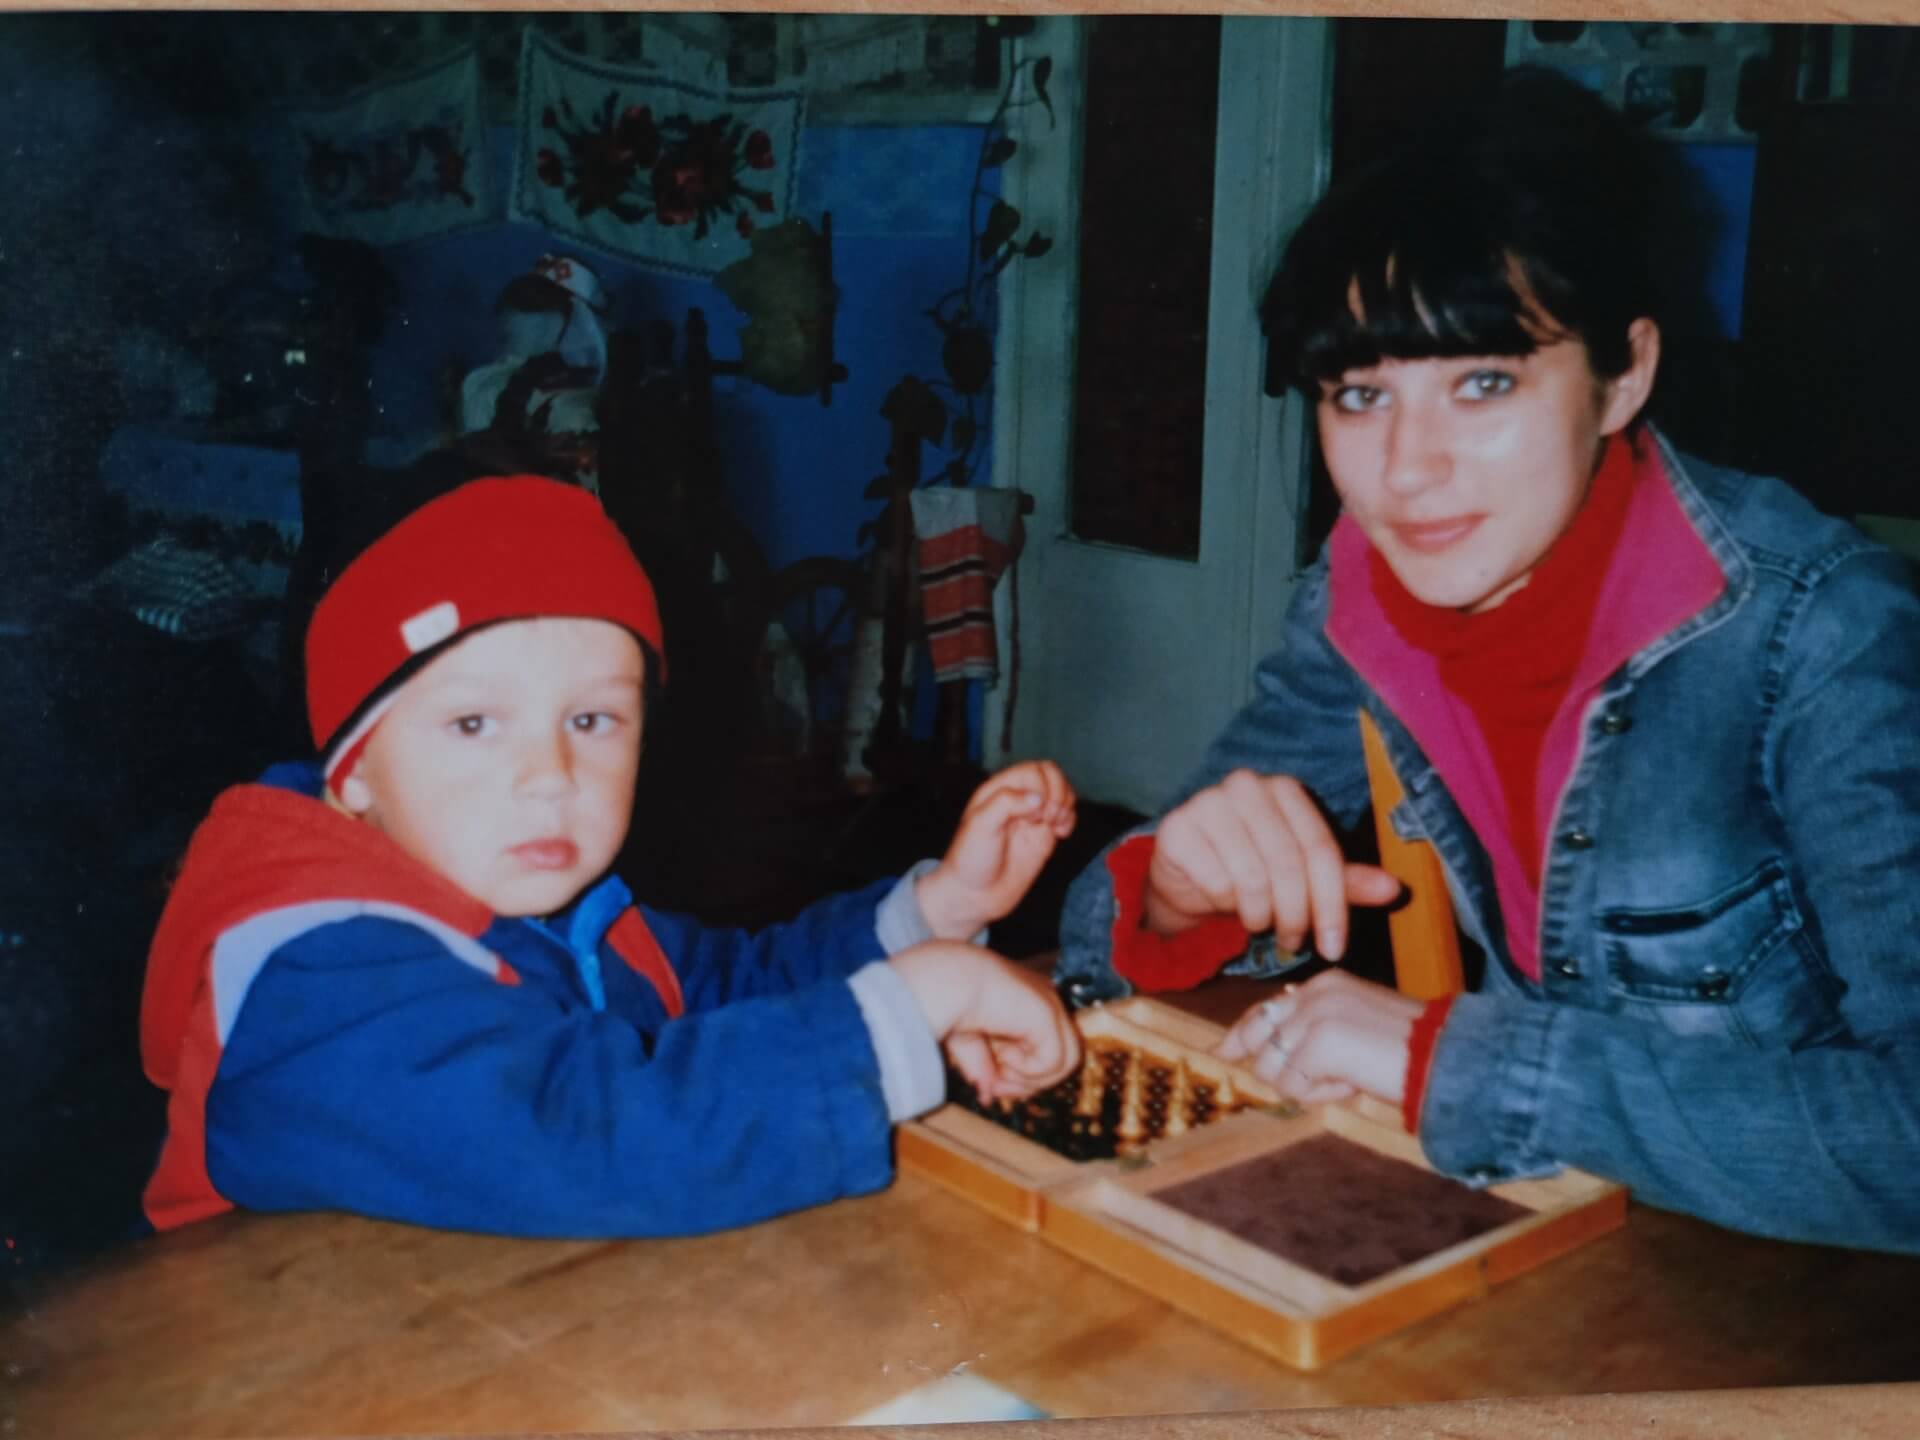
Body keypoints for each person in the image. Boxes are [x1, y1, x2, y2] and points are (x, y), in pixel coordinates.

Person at [1055, 68, 1920, 1253]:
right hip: (1554, 1232)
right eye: (1360, 395)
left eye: (1483, 382)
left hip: (1802, 1296)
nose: (1407, 472)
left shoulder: (1825, 634)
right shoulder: (1366, 587)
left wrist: (1459, 1064)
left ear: (1624, 376)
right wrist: (1175, 889)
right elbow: (1123, 926)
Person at [140, 475, 1080, 1238]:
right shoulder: (314, 970)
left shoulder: (571, 914)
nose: (551, 776)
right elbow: (582, 1133)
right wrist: (915, 1003)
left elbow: (736, 991)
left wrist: (937, 913)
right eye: (474, 723)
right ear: (353, 776)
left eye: (592, 720)